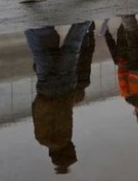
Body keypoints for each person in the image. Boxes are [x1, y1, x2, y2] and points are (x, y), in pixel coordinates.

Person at [26, 23, 93, 174]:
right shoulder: (42, 138)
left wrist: (72, 96)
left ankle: (84, 18)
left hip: (64, 85)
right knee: (40, 52)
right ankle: (32, 25)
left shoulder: (64, 137)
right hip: (46, 87)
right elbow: (38, 111)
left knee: (72, 46)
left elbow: (62, 110)